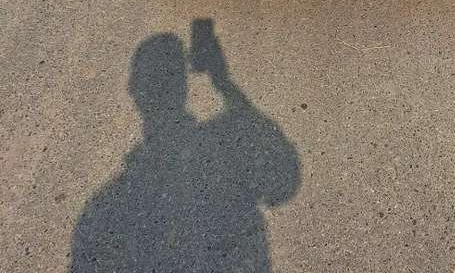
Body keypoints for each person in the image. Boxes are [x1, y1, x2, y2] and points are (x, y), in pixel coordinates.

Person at [70, 22, 300, 272]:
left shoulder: (102, 210)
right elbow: (282, 184)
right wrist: (222, 81)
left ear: (134, 91)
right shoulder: (225, 146)